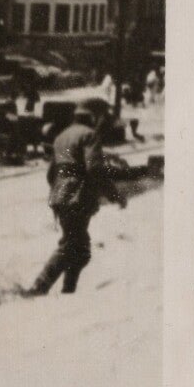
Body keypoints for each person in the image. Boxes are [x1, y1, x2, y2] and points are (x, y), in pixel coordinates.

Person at [28, 98, 125, 296]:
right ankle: (39, 287)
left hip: (60, 196)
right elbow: (95, 169)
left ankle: (68, 291)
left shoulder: (62, 137)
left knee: (79, 248)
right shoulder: (90, 135)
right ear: (93, 118)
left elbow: (51, 173)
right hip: (78, 195)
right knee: (73, 245)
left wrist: (59, 193)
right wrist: (114, 195)